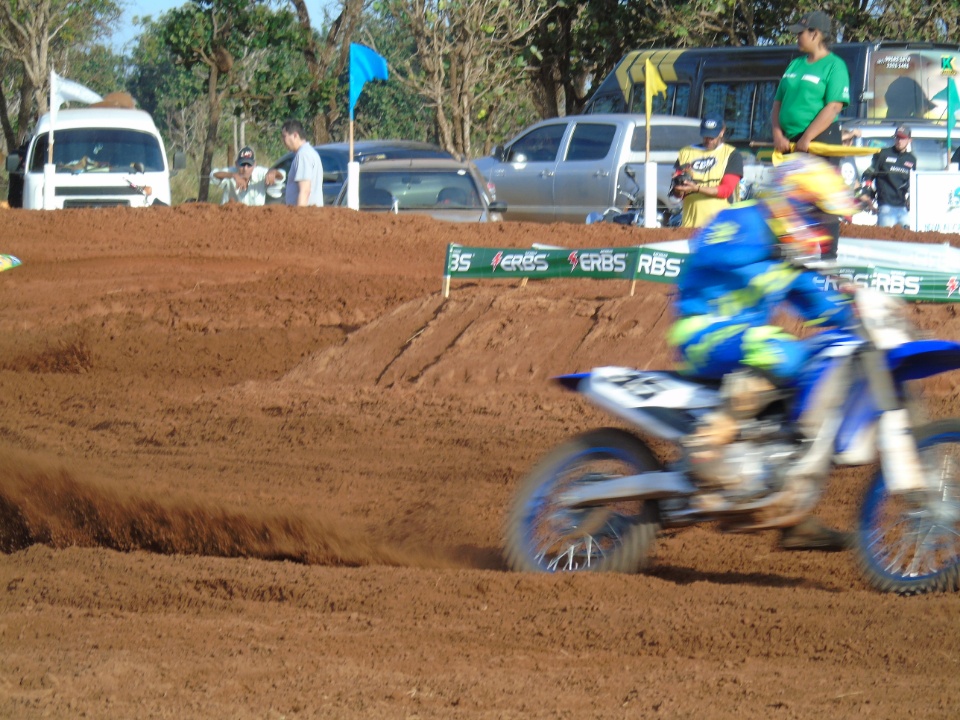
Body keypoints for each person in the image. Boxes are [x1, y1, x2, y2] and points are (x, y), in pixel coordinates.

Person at [667, 154, 921, 551]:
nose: (820, 227)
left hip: (744, 338)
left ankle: (788, 507)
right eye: (815, 214)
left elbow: (825, 306)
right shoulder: (741, 221)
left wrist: (856, 309)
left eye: (824, 220)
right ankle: (705, 449)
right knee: (784, 352)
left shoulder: (791, 259)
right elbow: (708, 251)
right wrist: (776, 251)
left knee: (821, 371)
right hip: (703, 331)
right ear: (791, 201)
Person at [772, 10, 850, 155]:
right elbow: (777, 103)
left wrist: (807, 137)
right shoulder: (794, 64)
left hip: (819, 141)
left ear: (815, 34)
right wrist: (778, 135)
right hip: (788, 142)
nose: (796, 37)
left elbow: (834, 107)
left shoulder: (835, 65)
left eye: (800, 33)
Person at [669, 113, 744, 228]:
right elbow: (674, 197)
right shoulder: (686, 152)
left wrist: (697, 188)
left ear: (722, 132)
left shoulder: (732, 154)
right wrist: (678, 190)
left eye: (712, 137)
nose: (708, 140)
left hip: (722, 227)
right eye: (705, 136)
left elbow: (726, 190)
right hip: (691, 226)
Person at [860, 125, 916, 228]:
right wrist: (867, 193)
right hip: (885, 205)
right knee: (886, 238)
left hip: (902, 207)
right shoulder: (883, 154)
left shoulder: (912, 159)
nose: (899, 141)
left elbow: (913, 183)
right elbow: (868, 174)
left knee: (907, 237)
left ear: (909, 140)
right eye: (897, 137)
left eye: (903, 138)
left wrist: (911, 199)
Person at [210, 146, 284, 206]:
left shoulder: (260, 173)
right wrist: (233, 176)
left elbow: (281, 176)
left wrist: (273, 172)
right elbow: (213, 174)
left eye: (249, 165)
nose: (245, 169)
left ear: (255, 164)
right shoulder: (232, 172)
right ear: (236, 164)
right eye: (242, 164)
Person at [280, 119, 324, 207]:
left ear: (295, 135)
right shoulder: (310, 152)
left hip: (307, 214)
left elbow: (305, 190)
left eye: (284, 136)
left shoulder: (303, 155)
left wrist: (300, 216)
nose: (283, 141)